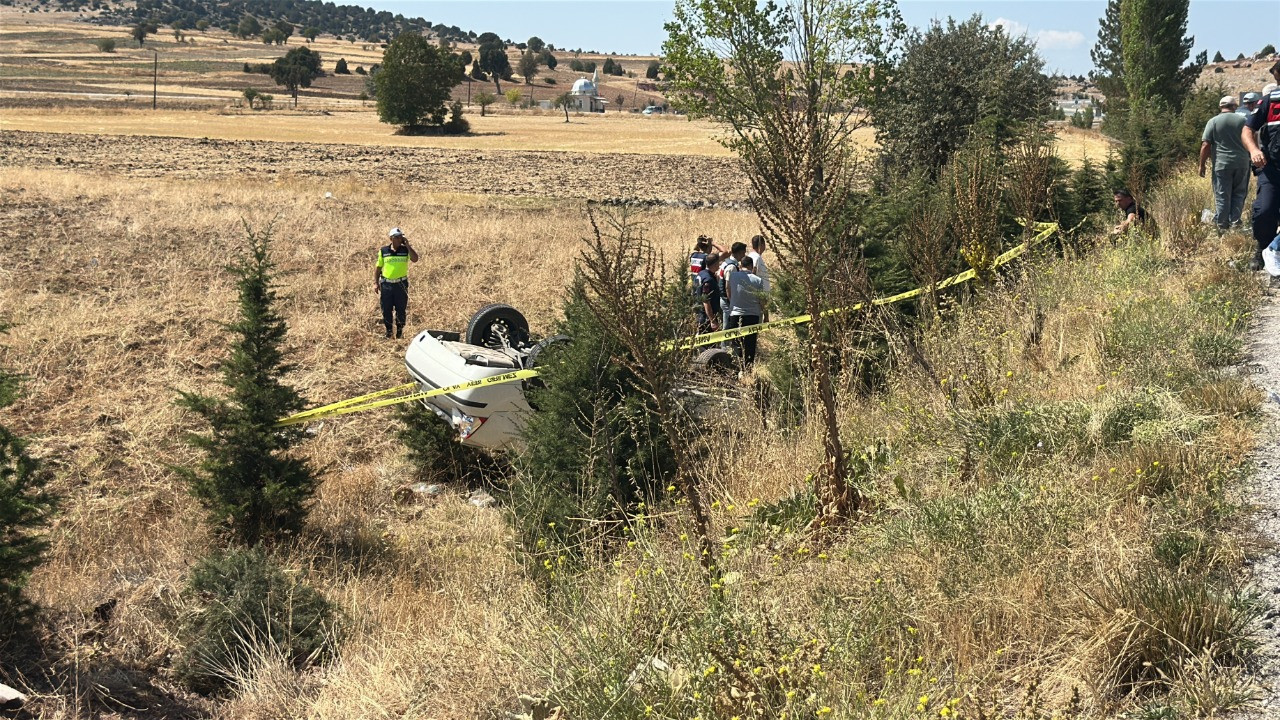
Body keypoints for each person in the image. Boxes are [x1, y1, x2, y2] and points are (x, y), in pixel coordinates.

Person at [1244, 62, 1280, 271]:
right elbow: (1247, 130)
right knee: (1265, 211)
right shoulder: (1270, 102)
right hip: (1271, 168)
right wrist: (1254, 150)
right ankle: (1262, 248)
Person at [1200, 95, 1251, 230]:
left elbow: (1206, 145)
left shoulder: (1213, 121)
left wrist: (1202, 165)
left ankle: (1222, 226)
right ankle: (1235, 222)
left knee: (1222, 194)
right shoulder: (1243, 120)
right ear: (1234, 106)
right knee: (1239, 193)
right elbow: (1252, 138)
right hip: (1242, 163)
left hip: (1222, 165)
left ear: (1221, 107)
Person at [374, 227, 419, 338]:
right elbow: (378, 268)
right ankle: (389, 332)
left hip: (400, 285)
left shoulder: (405, 251)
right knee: (386, 308)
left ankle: (399, 332)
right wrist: (375, 283)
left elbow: (415, 259)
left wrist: (408, 245)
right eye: (397, 237)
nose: (400, 239)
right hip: (387, 285)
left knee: (401, 309)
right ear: (391, 238)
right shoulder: (384, 251)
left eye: (401, 237)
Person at [725, 256, 766, 367]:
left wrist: (732, 301)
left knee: (736, 344)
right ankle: (748, 368)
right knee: (750, 345)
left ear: (740, 265)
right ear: (752, 267)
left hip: (735, 314)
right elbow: (762, 299)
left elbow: (727, 288)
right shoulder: (758, 280)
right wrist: (765, 313)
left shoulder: (733, 276)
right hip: (752, 316)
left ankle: (735, 367)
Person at [718, 242, 747, 340]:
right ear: (739, 253)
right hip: (727, 300)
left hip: (724, 298)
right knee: (727, 326)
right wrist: (732, 302)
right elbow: (728, 286)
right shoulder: (732, 267)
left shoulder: (726, 261)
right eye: (743, 253)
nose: (744, 255)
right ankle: (724, 349)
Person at [694, 252, 722, 334]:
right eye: (718, 263)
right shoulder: (708, 280)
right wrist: (712, 321)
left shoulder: (701, 273)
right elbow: (706, 301)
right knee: (707, 344)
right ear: (714, 264)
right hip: (706, 317)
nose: (719, 265)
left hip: (699, 312)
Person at [747, 234, 770, 321]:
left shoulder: (752, 256)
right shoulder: (756, 258)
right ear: (762, 245)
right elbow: (752, 277)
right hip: (758, 300)